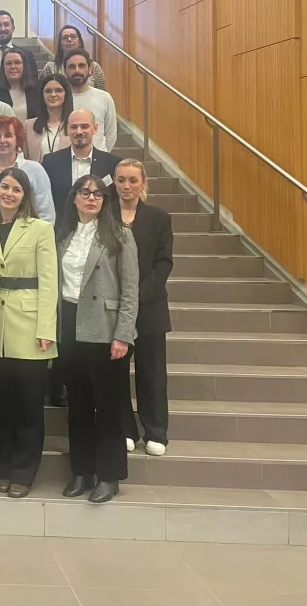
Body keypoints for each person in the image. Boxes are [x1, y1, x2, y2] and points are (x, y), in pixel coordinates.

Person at [56, 174, 139, 504]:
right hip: (70, 326)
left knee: (108, 406)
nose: (91, 198)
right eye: (84, 193)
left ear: (106, 201)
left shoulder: (119, 235)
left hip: (106, 331)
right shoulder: (62, 235)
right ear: (74, 197)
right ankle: (82, 471)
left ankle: (109, 476)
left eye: (98, 194)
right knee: (78, 405)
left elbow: (131, 290)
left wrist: (123, 335)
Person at [0, 167, 58, 497]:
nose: (8, 193)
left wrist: (47, 328)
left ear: (25, 196)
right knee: (3, 405)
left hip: (30, 325)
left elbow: (49, 281)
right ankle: (5, 467)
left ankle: (24, 473)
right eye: (4, 187)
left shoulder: (40, 229)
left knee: (29, 406)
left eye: (16, 189)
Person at [114, 159, 174, 457]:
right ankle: (125, 429)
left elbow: (164, 262)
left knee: (152, 372)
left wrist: (135, 296)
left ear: (143, 183)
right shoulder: (105, 216)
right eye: (121, 180)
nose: (126, 186)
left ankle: (156, 432)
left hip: (149, 307)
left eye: (132, 180)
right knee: (117, 371)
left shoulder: (159, 218)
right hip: (112, 309)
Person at [0, 116, 56, 224]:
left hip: (27, 238)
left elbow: (46, 214)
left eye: (8, 135)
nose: (2, 140)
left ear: (18, 138)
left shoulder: (35, 170)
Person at [41, 108, 123, 214]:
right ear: (67, 129)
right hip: (61, 228)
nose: (79, 132)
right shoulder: (50, 162)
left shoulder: (112, 163)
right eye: (74, 127)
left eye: (84, 126)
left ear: (95, 128)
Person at [67, 49, 118, 152]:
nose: (77, 70)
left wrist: (102, 157)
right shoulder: (61, 99)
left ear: (90, 70)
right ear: (65, 71)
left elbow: (111, 134)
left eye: (81, 66)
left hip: (99, 162)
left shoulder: (104, 97)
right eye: (72, 67)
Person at [0, 10, 40, 82]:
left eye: (6, 24)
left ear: (13, 28)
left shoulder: (27, 55)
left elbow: (33, 82)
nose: (3, 29)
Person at [41, 24, 108, 90]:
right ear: (60, 45)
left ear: (79, 42)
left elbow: (102, 93)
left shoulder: (94, 67)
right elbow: (41, 92)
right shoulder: (50, 67)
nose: (69, 39)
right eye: (65, 37)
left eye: (73, 36)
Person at [25, 75, 74, 162]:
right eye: (48, 91)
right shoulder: (28, 126)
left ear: (66, 94)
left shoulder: (74, 125)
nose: (53, 95)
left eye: (58, 90)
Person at [0, 47, 42, 124]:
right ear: (3, 68)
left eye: (17, 63)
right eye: (8, 63)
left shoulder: (37, 91)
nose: (13, 67)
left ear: (24, 66)